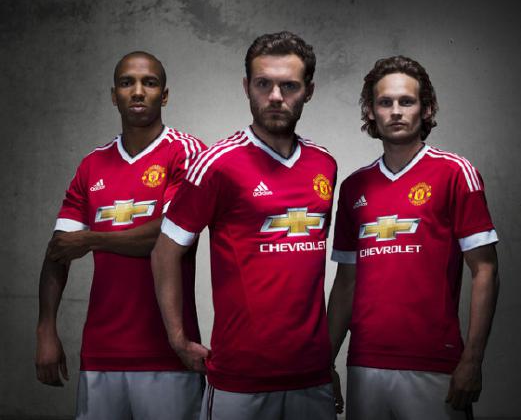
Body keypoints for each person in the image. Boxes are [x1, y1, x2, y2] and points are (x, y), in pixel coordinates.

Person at [152, 31, 337, 420]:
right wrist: (177, 338)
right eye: (263, 84)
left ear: (309, 91)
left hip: (312, 376)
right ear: (246, 87)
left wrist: (327, 361)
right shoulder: (217, 163)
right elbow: (166, 251)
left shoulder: (324, 163)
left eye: (289, 85)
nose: (275, 96)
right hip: (240, 377)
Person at [35, 51, 205, 420]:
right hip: (101, 353)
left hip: (169, 354)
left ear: (165, 95)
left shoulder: (187, 153)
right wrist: (46, 328)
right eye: (127, 83)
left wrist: (91, 240)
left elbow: (169, 236)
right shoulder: (92, 165)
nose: (138, 91)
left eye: (150, 83)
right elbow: (59, 249)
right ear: (114, 95)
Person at [327, 55, 499, 420]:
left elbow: (485, 270)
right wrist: (325, 362)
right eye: (385, 102)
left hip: (435, 364)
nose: (395, 111)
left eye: (406, 101)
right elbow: (346, 283)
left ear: (427, 108)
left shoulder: (455, 173)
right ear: (371, 111)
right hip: (365, 363)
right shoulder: (354, 186)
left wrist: (473, 360)